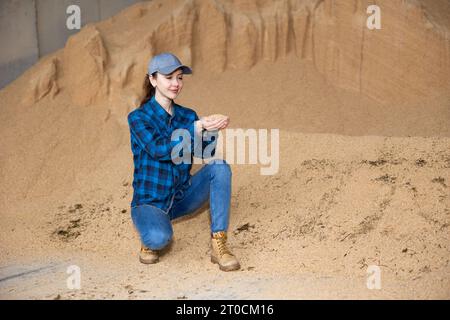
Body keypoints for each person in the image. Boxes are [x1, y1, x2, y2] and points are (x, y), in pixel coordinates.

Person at [127, 52, 240, 271]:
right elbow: (158, 150)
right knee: (159, 238)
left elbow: (205, 152)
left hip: (181, 197)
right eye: (169, 77)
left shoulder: (187, 116)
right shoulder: (138, 118)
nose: (176, 83)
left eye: (179, 77)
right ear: (152, 79)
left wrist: (210, 129)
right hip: (150, 201)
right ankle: (150, 235)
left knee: (220, 167)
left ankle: (219, 244)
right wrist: (195, 128)